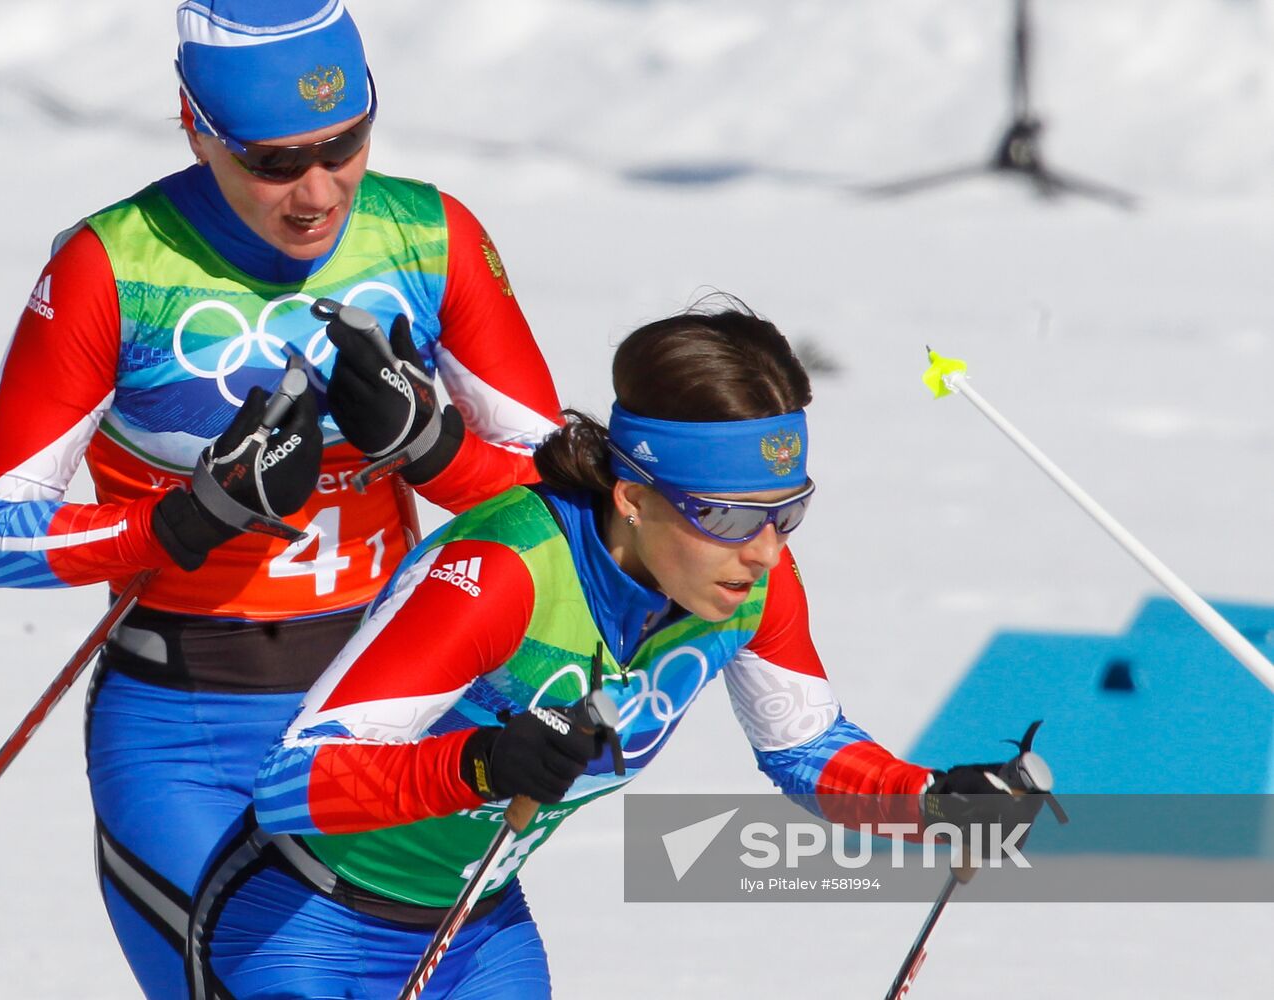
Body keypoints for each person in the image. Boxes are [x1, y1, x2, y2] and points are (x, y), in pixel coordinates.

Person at [184, 303, 1046, 999]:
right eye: (730, 516)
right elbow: (291, 785)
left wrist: (928, 803)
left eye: (788, 512)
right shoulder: (500, 574)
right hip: (300, 927)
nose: (764, 551)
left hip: (474, 930)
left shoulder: (750, 587)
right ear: (633, 497)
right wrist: (482, 762)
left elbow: (806, 749)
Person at [0, 3, 562, 997]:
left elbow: (562, 500)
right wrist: (187, 517)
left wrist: (433, 447)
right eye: (274, 164)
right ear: (196, 127)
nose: (317, 192)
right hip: (189, 722)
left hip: (391, 713)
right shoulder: (115, 264)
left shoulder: (429, 234)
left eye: (345, 145)